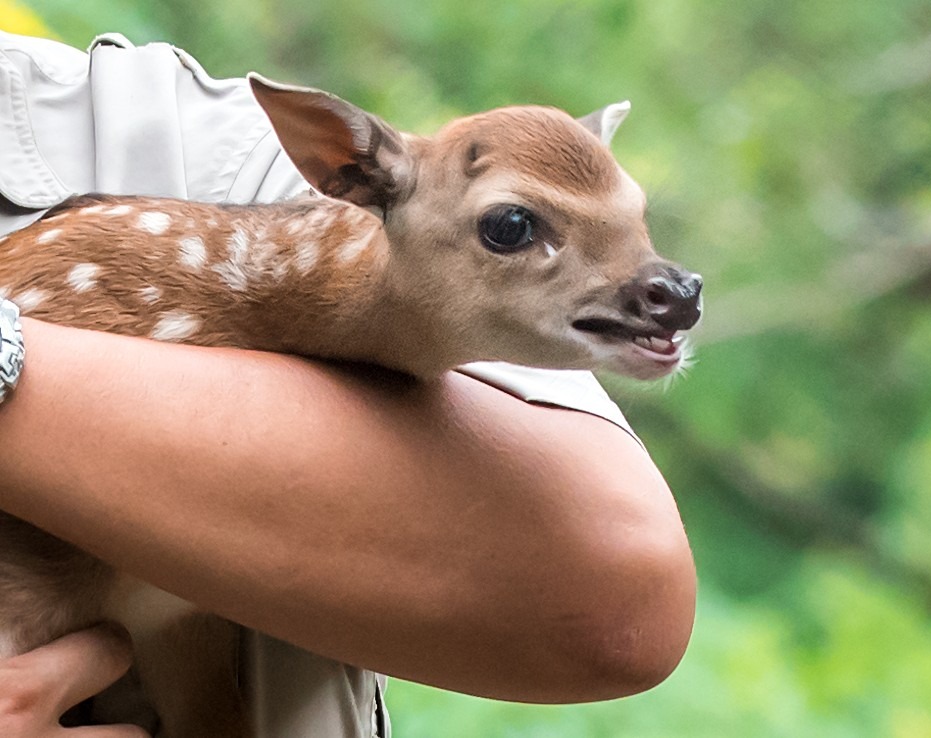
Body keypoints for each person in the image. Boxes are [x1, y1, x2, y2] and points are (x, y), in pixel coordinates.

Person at [0, 30, 696, 737]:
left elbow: (616, 601)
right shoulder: (128, 257)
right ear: (338, 159)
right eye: (514, 227)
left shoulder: (181, 135)